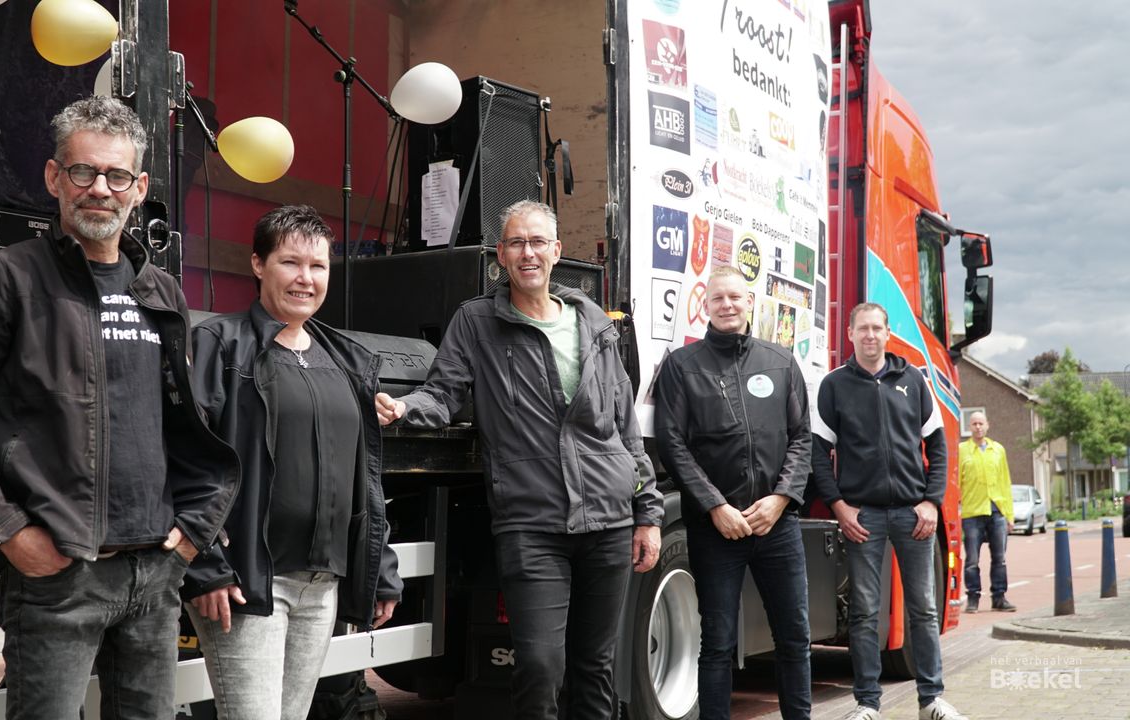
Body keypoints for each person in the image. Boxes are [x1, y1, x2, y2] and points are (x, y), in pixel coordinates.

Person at [0, 95, 239, 720]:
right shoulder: (9, 277)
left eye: (117, 176)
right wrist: (10, 531)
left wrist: (193, 534)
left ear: (139, 188)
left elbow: (182, 423)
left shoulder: (160, 290)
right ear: (54, 177)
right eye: (83, 171)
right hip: (61, 575)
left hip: (154, 572)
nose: (100, 189)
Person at [375, 200, 663, 720]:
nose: (527, 253)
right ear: (500, 257)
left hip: (609, 520)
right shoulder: (478, 322)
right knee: (539, 666)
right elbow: (442, 393)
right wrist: (403, 408)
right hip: (532, 523)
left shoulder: (591, 320)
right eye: (515, 243)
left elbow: (625, 425)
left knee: (595, 668)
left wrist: (648, 514)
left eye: (537, 242)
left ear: (556, 252)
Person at [183, 205, 402, 720]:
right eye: (290, 263)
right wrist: (208, 566)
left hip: (320, 586)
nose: (305, 278)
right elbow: (189, 458)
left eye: (318, 266)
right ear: (259, 265)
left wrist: (382, 568)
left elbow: (363, 475)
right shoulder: (220, 343)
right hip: (249, 583)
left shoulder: (345, 359)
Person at [654, 265, 812, 719]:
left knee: (794, 638)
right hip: (716, 530)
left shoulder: (780, 361)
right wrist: (715, 506)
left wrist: (781, 499)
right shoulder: (682, 366)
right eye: (718, 298)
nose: (727, 305)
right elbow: (673, 444)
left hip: (776, 526)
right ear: (705, 305)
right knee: (718, 643)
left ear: (750, 303)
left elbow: (802, 437)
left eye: (735, 298)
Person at [811, 303, 966, 720]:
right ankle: (867, 705)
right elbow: (818, 453)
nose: (870, 336)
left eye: (877, 328)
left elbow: (937, 445)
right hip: (863, 518)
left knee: (924, 609)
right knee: (864, 613)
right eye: (862, 328)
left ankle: (931, 700)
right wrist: (840, 507)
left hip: (913, 516)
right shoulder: (834, 386)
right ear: (850, 333)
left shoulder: (913, 380)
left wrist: (932, 501)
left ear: (887, 332)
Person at [959, 411, 1016, 613]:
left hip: (997, 510)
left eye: (981, 423)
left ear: (988, 425)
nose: (978, 427)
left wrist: (1009, 515)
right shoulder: (962, 451)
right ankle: (973, 598)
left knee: (999, 558)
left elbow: (1004, 482)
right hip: (972, 511)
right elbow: (957, 483)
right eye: (974, 423)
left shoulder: (998, 450)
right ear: (969, 427)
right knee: (972, 559)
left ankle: (999, 597)